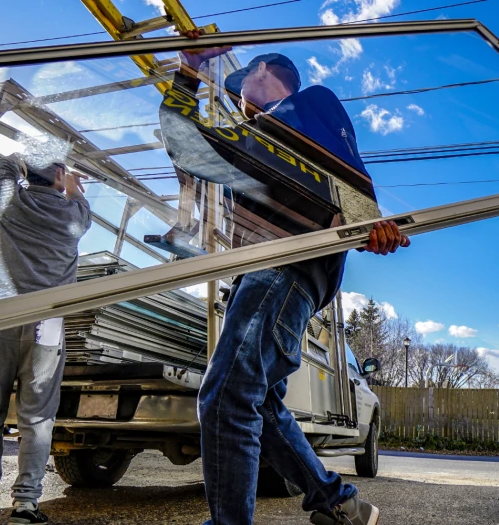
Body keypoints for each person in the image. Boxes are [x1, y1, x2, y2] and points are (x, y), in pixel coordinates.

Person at [162, 31, 411, 525]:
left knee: (227, 394)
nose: (236, 100)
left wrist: (367, 221)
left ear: (260, 71)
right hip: (260, 272)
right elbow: (185, 145)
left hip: (289, 264)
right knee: (261, 403)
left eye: (239, 88)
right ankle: (337, 503)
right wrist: (187, 74)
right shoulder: (248, 143)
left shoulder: (306, 105)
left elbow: (348, 167)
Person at [0, 155, 91, 525]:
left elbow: (3, 166)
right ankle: (25, 504)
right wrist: (69, 183)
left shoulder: (9, 200)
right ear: (57, 175)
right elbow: (78, 199)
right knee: (37, 419)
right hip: (46, 328)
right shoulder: (74, 216)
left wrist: (27, 160)